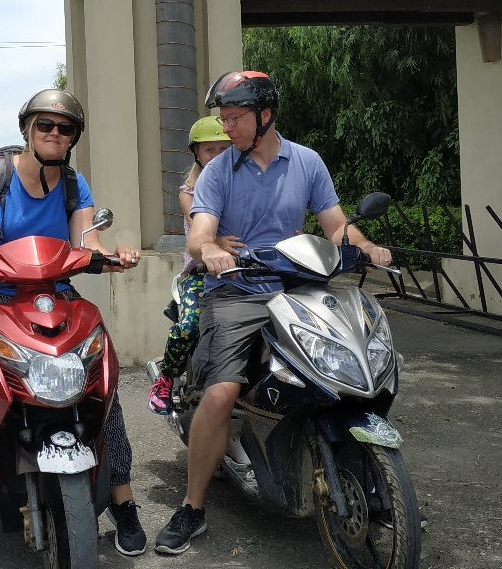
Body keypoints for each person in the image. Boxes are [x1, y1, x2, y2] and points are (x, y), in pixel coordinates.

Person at [154, 70, 393, 555]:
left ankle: (369, 476)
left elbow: (336, 226)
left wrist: (365, 245)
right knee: (221, 393)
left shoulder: (305, 161)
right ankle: (193, 506)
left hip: (299, 285)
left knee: (354, 362)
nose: (227, 130)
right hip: (238, 289)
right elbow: (199, 233)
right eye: (223, 120)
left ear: (265, 115)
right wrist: (210, 250)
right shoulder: (219, 171)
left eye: (236, 119)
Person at [0, 89, 148, 569]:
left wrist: (111, 258)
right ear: (26, 129)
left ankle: (121, 500)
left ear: (74, 137)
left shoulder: (76, 186)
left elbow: (87, 243)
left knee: (100, 386)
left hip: (50, 296)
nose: (53, 134)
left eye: (64, 128)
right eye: (45, 125)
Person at [147, 115, 241, 416]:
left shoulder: (245, 183)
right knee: (187, 327)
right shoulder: (188, 192)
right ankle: (165, 379)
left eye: (222, 149)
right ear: (196, 155)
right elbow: (198, 228)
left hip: (246, 272)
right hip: (201, 274)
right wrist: (213, 243)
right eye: (208, 150)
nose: (216, 156)